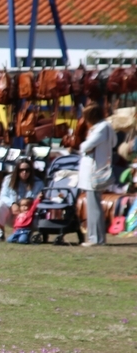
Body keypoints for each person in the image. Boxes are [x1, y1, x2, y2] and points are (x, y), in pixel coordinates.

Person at [78, 102, 116, 247]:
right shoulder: (105, 127)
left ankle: (96, 239)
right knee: (94, 205)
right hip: (97, 170)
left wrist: (84, 144)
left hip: (94, 172)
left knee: (94, 207)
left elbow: (86, 146)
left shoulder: (101, 128)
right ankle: (97, 237)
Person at [0, 157, 44, 241]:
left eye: (27, 170)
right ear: (17, 170)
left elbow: (40, 201)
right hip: (13, 215)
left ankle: (28, 233)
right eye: (21, 170)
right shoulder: (9, 180)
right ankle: (0, 233)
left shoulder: (38, 183)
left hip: (30, 217)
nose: (24, 172)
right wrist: (12, 204)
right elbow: (2, 196)